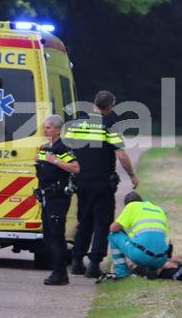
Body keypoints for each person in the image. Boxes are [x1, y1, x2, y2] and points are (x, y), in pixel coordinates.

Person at [66, 90, 139, 279]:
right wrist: (132, 175)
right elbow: (121, 155)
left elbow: (68, 150)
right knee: (102, 222)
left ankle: (76, 262)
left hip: (81, 181)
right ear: (110, 107)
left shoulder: (77, 124)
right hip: (102, 183)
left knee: (84, 221)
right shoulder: (109, 127)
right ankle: (94, 264)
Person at [34, 115, 80, 285]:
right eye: (44, 127)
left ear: (57, 130)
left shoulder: (62, 148)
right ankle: (56, 270)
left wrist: (56, 161)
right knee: (48, 236)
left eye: (48, 128)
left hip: (58, 197)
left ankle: (60, 273)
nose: (45, 131)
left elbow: (75, 167)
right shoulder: (46, 147)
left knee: (56, 235)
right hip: (46, 196)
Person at [105, 192, 170, 279]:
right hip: (161, 259)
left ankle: (122, 273)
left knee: (113, 235)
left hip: (141, 255)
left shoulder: (132, 206)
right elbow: (167, 240)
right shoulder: (159, 210)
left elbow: (113, 228)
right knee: (149, 243)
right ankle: (152, 269)